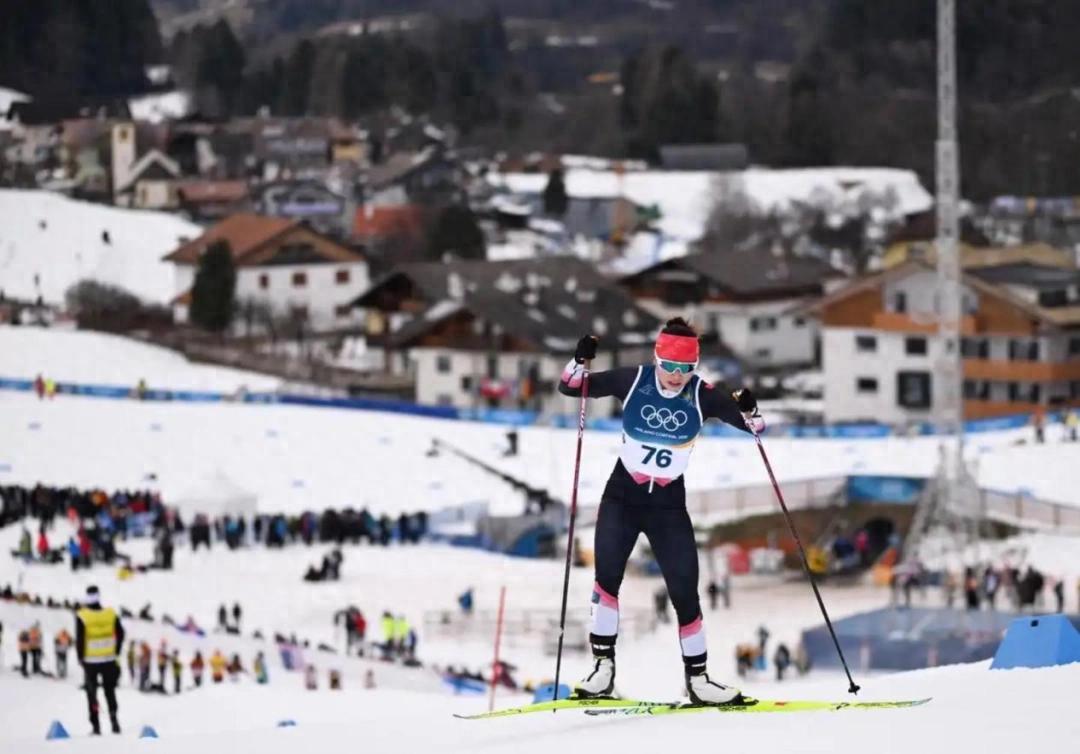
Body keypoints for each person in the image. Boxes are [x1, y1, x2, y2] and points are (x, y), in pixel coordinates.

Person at [558, 320, 764, 705]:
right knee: (607, 581)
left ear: (695, 367)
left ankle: (699, 681)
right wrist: (579, 360)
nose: (674, 376)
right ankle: (602, 671)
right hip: (623, 496)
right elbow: (570, 387)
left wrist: (751, 409)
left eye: (685, 369)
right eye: (668, 366)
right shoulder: (634, 379)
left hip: (668, 506)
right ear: (656, 359)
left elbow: (756, 428)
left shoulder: (703, 395)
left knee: (686, 592)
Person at [75, 585, 124, 735]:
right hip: (109, 659)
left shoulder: (82, 615)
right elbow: (121, 634)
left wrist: (80, 658)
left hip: (90, 662)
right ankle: (114, 721)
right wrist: (116, 651)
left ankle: (96, 726)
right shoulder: (110, 614)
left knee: (92, 694)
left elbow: (80, 639)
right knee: (110, 691)